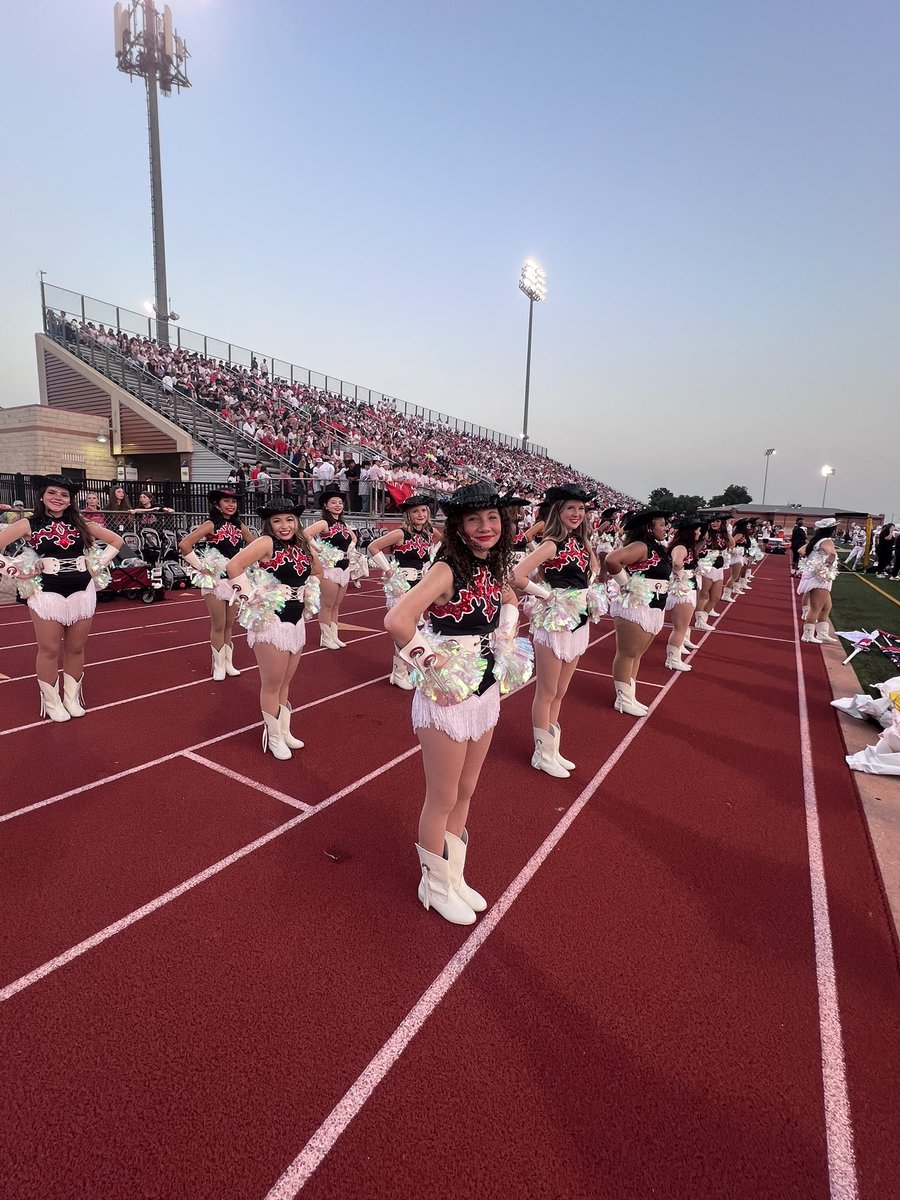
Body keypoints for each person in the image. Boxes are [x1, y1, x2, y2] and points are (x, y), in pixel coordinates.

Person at [383, 481, 520, 926]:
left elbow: (510, 600)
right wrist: (434, 664)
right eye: (474, 519)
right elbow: (398, 620)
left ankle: (454, 876)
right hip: (447, 695)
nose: (485, 527)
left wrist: (506, 634)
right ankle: (434, 884)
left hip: (484, 689)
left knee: (466, 789)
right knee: (442, 795)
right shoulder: (446, 569)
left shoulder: (493, 566)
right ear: (459, 526)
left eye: (492, 518)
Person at [0, 475, 122, 720]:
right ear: (42, 496)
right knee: (49, 648)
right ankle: (52, 702)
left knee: (76, 648)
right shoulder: (27, 524)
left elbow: (116, 541)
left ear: (70, 500)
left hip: (82, 591)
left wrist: (97, 565)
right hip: (46, 593)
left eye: (64, 495)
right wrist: (17, 571)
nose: (58, 498)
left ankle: (72, 698)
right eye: (52, 492)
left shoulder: (81, 523)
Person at [225, 500, 323, 758]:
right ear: (269, 524)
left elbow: (318, 571)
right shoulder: (266, 543)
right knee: (272, 683)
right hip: (271, 622)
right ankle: (273, 737)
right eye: (277, 521)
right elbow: (233, 566)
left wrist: (307, 590)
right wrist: (250, 598)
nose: (284, 526)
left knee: (285, 682)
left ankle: (284, 729)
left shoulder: (301, 545)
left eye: (289, 519)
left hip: (296, 621)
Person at [513, 484, 597, 778]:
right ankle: (542, 753)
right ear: (557, 512)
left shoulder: (581, 542)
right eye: (570, 508)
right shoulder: (551, 544)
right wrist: (548, 596)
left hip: (579, 619)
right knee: (547, 691)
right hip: (554, 621)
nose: (577, 513)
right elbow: (516, 575)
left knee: (560, 691)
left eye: (581, 508)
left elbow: (592, 571)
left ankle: (553, 748)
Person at [178, 489, 256, 680]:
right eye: (226, 501)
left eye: (234, 501)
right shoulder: (210, 524)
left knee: (230, 624)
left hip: (235, 580)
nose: (231, 505)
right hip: (216, 580)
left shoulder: (239, 525)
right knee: (219, 624)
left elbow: (255, 545)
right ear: (216, 504)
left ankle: (228, 663)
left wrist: (246, 562)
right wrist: (201, 567)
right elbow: (185, 545)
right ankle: (218, 666)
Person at [367, 494, 441, 688]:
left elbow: (445, 541)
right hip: (403, 586)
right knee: (404, 629)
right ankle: (399, 672)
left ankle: (406, 668)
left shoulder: (428, 532)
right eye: (415, 511)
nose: (421, 514)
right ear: (408, 515)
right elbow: (373, 547)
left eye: (424, 510)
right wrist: (388, 570)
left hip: (420, 584)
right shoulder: (400, 533)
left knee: (413, 629)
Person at [605, 509, 672, 716]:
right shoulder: (641, 546)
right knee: (628, 653)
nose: (666, 528)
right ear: (649, 527)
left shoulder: (656, 547)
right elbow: (612, 560)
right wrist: (626, 585)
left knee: (637, 654)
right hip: (636, 606)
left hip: (654, 604)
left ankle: (629, 694)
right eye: (662, 524)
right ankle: (622, 699)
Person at [305, 486, 358, 650]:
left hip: (344, 568)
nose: (337, 505)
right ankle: (325, 637)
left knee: (336, 605)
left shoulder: (343, 524)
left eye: (340, 502)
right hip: (329, 569)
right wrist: (319, 549)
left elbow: (354, 538)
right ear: (326, 506)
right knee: (327, 604)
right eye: (333, 502)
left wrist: (351, 548)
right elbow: (305, 534)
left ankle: (334, 635)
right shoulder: (323, 523)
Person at [664, 518, 703, 671]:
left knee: (682, 627)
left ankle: (676, 654)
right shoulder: (680, 546)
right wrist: (680, 577)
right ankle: (672, 659)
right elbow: (677, 563)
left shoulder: (686, 546)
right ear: (690, 532)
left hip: (686, 588)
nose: (699, 533)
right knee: (680, 628)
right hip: (682, 590)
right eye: (697, 530)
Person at [797, 518, 840, 643]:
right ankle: (807, 635)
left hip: (816, 575)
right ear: (832, 530)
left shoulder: (816, 540)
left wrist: (811, 561)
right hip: (819, 577)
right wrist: (827, 565)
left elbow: (801, 550)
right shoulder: (827, 541)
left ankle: (822, 633)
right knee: (816, 608)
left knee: (827, 606)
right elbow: (832, 554)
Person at [694, 514, 732, 631]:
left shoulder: (724, 534)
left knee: (715, 597)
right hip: (707, 565)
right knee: (703, 594)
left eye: (718, 521)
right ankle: (699, 620)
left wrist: (726, 530)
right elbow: (698, 546)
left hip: (719, 566)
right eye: (713, 521)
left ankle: (703, 616)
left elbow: (732, 544)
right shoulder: (707, 533)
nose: (714, 523)